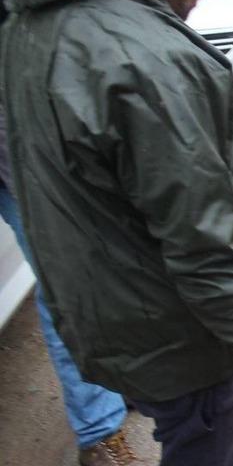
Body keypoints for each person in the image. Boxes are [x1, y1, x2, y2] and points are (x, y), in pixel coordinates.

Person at [1, 0, 233, 465]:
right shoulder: (146, 59)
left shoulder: (30, 25)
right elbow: (206, 235)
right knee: (215, 439)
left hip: (107, 310)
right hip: (181, 338)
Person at [0, 107, 131, 465]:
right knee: (66, 289)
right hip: (19, 155)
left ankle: (120, 382)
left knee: (86, 272)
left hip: (23, 145)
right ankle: (100, 432)